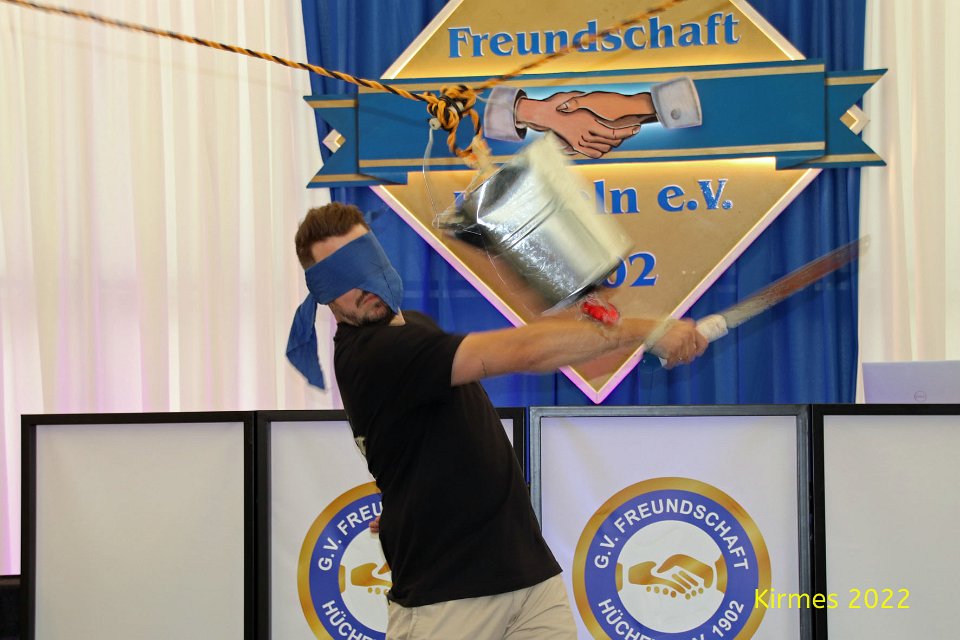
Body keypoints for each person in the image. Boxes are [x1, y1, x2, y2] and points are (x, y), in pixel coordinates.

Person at [287, 202, 707, 640]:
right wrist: (643, 329)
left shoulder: (414, 328)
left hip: (529, 579)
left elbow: (548, 349)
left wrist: (407, 501)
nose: (360, 284)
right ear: (322, 292)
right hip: (447, 598)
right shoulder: (374, 354)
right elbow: (525, 351)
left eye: (363, 260)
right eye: (340, 276)